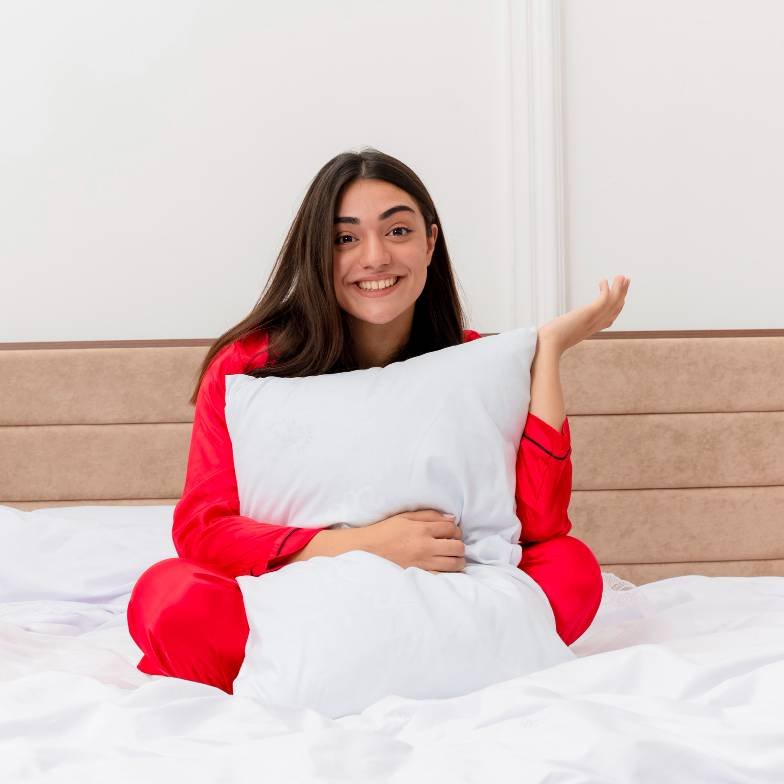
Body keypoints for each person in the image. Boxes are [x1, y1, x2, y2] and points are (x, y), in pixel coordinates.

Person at [127, 148, 628, 695]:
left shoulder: (479, 363)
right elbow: (203, 529)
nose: (374, 257)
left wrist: (547, 352)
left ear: (430, 243)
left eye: (397, 232)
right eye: (345, 238)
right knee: (169, 595)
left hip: (446, 586)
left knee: (569, 566)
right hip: (296, 592)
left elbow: (540, 524)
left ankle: (374, 669)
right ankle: (343, 672)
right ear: (315, 253)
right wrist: (364, 544)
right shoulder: (249, 365)